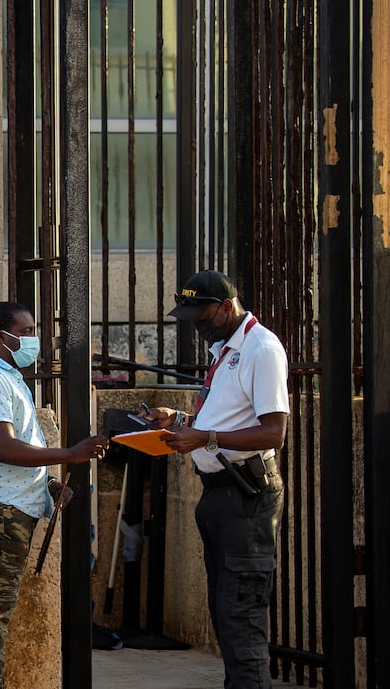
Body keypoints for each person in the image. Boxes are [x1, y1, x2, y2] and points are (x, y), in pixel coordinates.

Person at [142, 270, 288, 687]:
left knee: (242, 617)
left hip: (246, 496)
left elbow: (272, 432)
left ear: (227, 307)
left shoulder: (262, 348)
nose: (197, 324)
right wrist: (181, 421)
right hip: (219, 497)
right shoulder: (223, 348)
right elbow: (226, 419)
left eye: (202, 314)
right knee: (227, 614)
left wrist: (202, 436)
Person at [0, 301, 106, 689]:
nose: (33, 339)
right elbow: (3, 448)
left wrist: (49, 482)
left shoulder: (8, 376)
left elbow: (19, 445)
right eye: (25, 332)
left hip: (15, 504)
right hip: (0, 510)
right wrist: (71, 454)